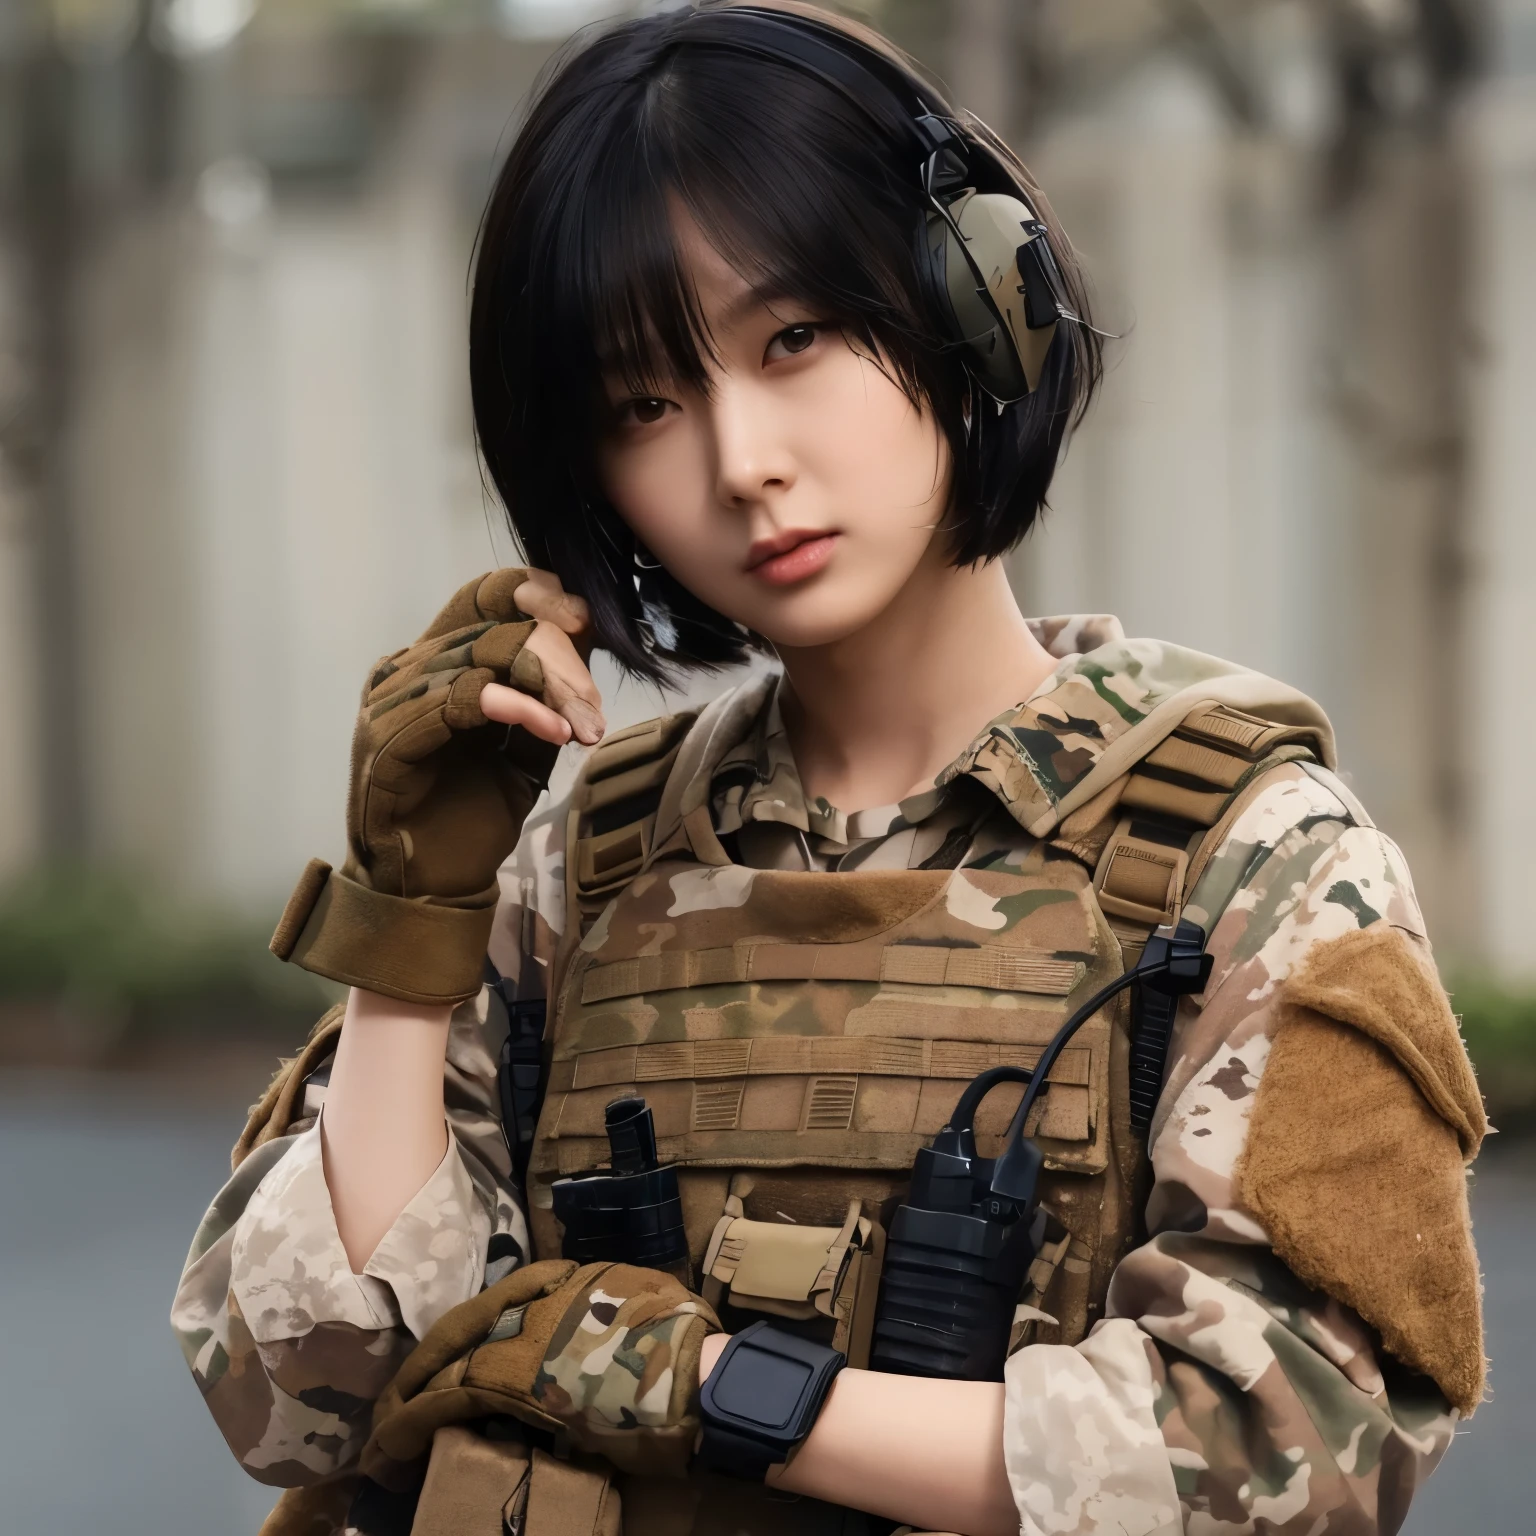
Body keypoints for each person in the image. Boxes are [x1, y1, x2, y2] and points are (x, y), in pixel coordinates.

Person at [171, 5, 1487, 1534]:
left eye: (794, 339)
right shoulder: (575, 866)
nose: (740, 462)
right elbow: (302, 1397)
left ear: (973, 302)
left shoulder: (1249, 853)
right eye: (644, 404)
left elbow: (1297, 1447)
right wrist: (410, 935)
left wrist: (718, 1393)